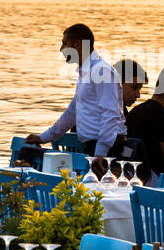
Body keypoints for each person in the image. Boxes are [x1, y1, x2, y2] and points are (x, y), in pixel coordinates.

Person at [24, 24, 125, 157]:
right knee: (27, 152)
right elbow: (73, 112)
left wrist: (100, 153)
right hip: (93, 146)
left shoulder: (101, 71)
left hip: (108, 148)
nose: (61, 49)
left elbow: (111, 113)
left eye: (64, 44)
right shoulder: (86, 72)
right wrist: (44, 137)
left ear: (77, 44)